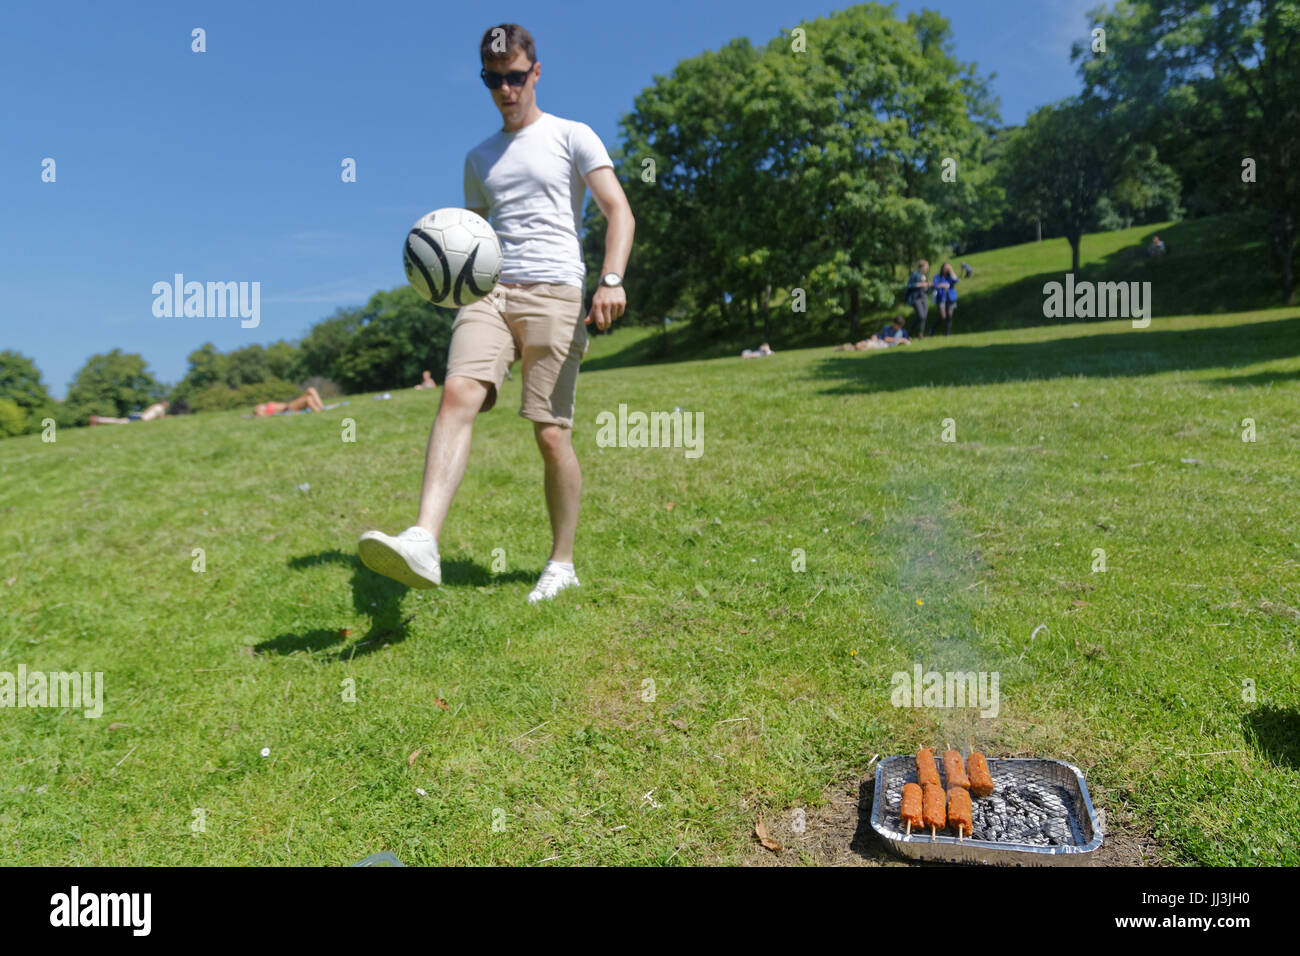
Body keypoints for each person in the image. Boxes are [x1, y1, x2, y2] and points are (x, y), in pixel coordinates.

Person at [358, 23, 635, 605]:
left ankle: (562, 563)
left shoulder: (572, 134)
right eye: (493, 79)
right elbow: (471, 235)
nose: (505, 88)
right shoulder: (479, 156)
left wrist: (611, 279)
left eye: (514, 76)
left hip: (555, 290)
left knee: (550, 434)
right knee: (458, 392)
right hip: (489, 293)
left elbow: (619, 212)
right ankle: (424, 540)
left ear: (535, 72)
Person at [254, 386, 325, 417]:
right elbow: (259, 415)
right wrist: (257, 412)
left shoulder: (267, 405)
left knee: (310, 390)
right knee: (308, 397)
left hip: (289, 405)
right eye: (258, 407)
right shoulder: (264, 411)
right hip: (288, 408)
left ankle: (321, 408)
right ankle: (319, 410)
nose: (259, 405)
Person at [904, 259, 931, 337]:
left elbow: (927, 288)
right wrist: (918, 284)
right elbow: (909, 285)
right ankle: (911, 332)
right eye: (926, 267)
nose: (927, 269)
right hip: (916, 298)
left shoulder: (925, 276)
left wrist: (928, 285)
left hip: (924, 297)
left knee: (923, 317)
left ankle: (920, 334)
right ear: (922, 267)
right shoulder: (915, 275)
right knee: (921, 316)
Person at [89, 400, 169, 425]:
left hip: (139, 416)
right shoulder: (160, 408)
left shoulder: (155, 406)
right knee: (119, 422)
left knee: (119, 421)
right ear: (164, 404)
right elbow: (161, 419)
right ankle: (98, 419)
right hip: (140, 419)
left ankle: (98, 419)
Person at [932, 262, 959, 336]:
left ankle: (947, 334)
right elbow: (934, 285)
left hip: (951, 297)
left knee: (950, 315)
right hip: (941, 298)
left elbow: (956, 280)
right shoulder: (937, 277)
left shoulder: (950, 276)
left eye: (948, 268)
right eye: (946, 268)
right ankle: (933, 329)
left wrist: (951, 270)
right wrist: (941, 285)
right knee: (943, 316)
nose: (946, 269)